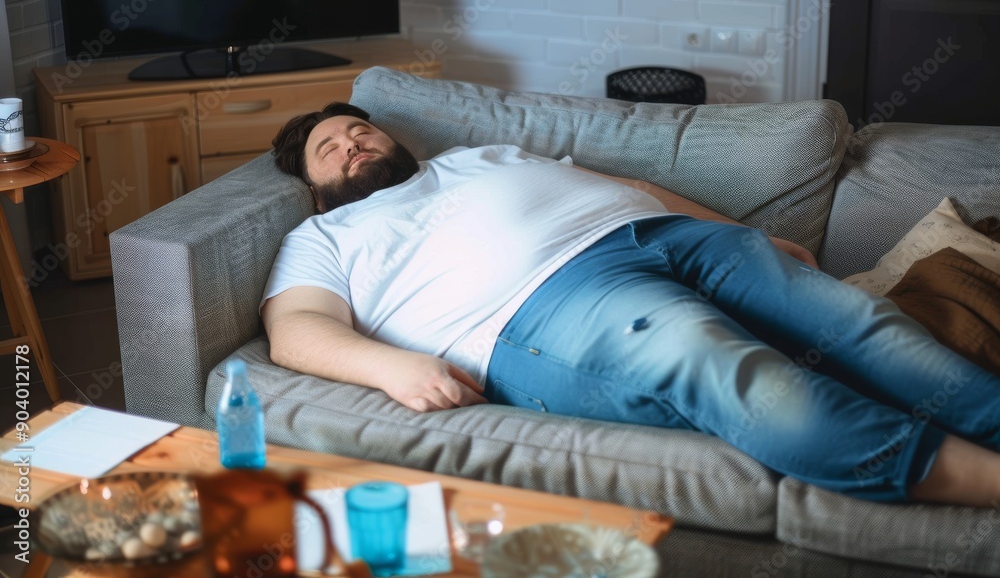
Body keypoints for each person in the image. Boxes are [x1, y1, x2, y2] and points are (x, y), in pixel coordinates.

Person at [262, 102, 1000, 508]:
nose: (353, 142)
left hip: (665, 237)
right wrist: (391, 367)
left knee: (857, 321)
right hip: (545, 306)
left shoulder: (475, 157)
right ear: (313, 181)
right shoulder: (326, 234)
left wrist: (743, 233)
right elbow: (297, 329)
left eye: (360, 128)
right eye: (330, 146)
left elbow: (637, 191)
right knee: (720, 361)